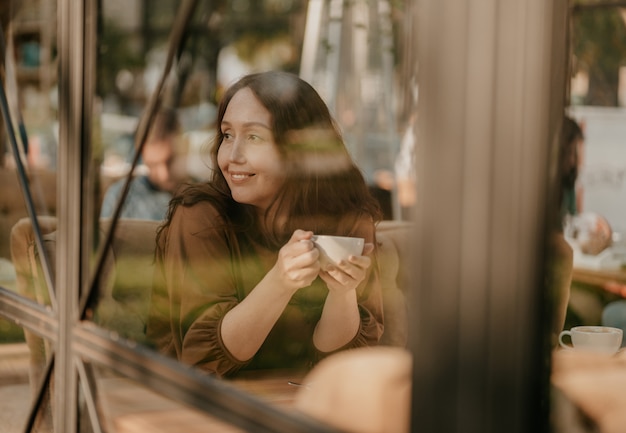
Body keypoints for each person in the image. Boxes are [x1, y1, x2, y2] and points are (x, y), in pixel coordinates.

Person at [146, 71, 384, 377]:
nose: (232, 156)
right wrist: (280, 282)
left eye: (254, 137)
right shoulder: (201, 216)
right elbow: (203, 359)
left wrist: (342, 293)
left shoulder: (347, 220)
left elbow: (341, 367)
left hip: (299, 408)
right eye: (227, 135)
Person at [100, 107, 187, 221]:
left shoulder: (203, 194)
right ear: (141, 154)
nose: (163, 174)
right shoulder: (121, 199)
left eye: (170, 161)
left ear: (185, 147)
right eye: (153, 165)